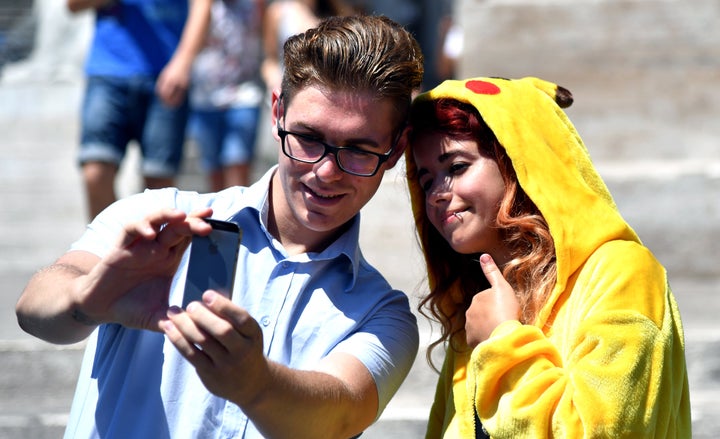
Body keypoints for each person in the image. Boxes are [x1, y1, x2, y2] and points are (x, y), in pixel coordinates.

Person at [15, 15, 424, 438]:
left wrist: (256, 384)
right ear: (277, 112)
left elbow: (338, 415)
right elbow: (34, 306)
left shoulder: (381, 315)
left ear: (396, 150)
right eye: (308, 138)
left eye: (358, 150)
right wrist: (89, 298)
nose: (324, 171)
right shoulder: (157, 217)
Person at [404, 76, 691, 438]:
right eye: (426, 180)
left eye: (457, 167)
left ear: (520, 163)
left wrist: (503, 345)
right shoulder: (479, 303)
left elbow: (600, 431)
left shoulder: (623, 271)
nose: (436, 194)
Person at [68, 0, 213, 220]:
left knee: (159, 183)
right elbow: (73, 5)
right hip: (108, 71)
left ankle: (150, 252)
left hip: (166, 73)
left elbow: (203, 6)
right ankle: (105, 248)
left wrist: (184, 62)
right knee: (95, 171)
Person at [187, 0, 266, 190]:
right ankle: (220, 217)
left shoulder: (254, 4)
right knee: (213, 168)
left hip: (244, 93)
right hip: (205, 97)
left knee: (237, 161)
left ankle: (238, 217)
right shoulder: (201, 5)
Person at [260, 0, 356, 94]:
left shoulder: (337, 12)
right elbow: (270, 60)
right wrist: (275, 82)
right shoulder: (278, 11)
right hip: (287, 90)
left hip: (326, 92)